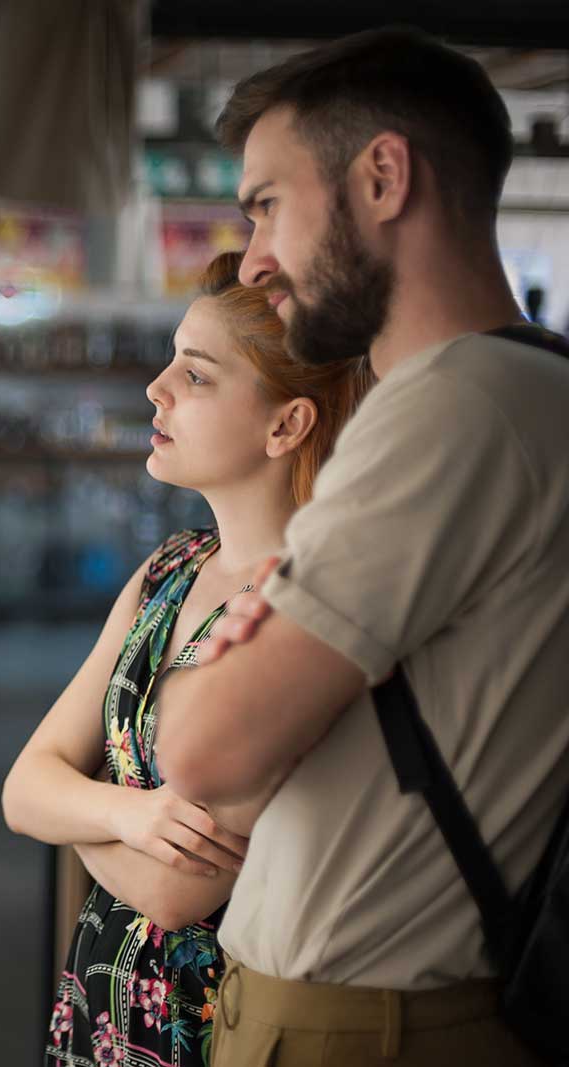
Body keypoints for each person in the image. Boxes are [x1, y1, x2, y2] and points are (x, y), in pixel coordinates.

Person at [152, 28, 569, 1067]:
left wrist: (228, 648)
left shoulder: (451, 407)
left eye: (267, 206)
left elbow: (200, 749)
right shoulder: (534, 384)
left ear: (381, 177)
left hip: (361, 1025)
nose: (253, 259)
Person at [3, 251, 370, 1067]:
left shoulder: (306, 608)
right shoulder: (169, 569)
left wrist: (76, 804)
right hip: (100, 1008)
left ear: (287, 425)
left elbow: (176, 893)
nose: (155, 388)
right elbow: (21, 787)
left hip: (208, 1027)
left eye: (196, 376)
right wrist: (127, 814)